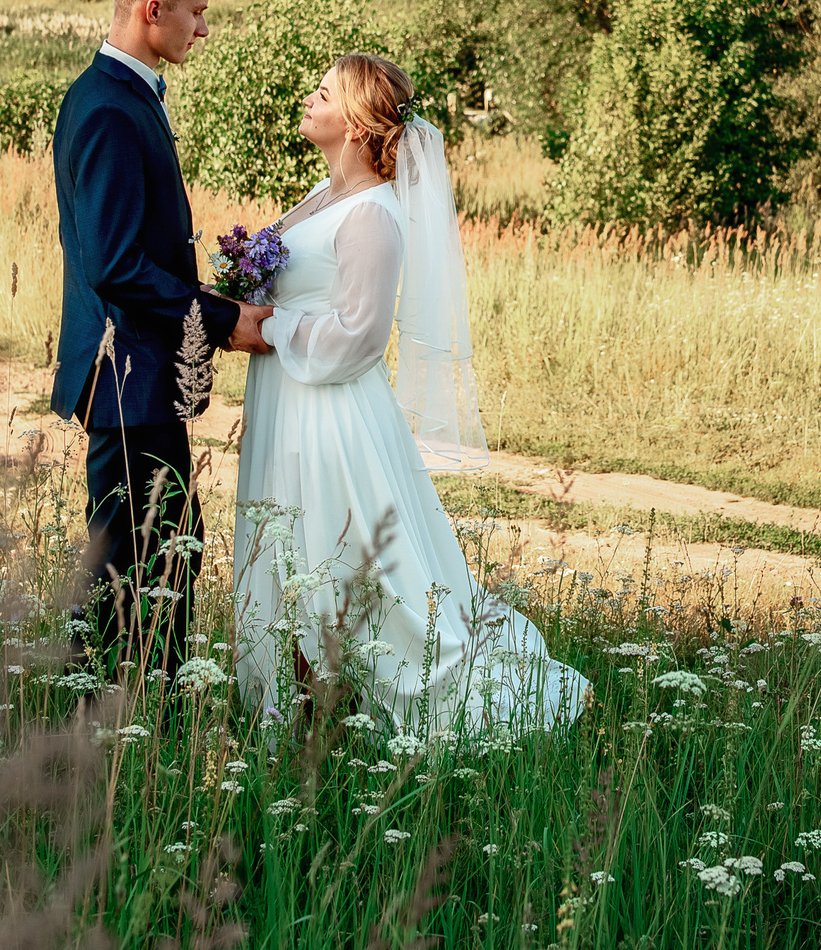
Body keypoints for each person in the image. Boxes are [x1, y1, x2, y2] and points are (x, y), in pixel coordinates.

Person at [232, 52, 588, 736]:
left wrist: (270, 325)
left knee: (338, 556)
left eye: (324, 92)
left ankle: (347, 701)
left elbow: (361, 334)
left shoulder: (372, 215)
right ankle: (302, 707)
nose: (309, 99)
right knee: (288, 547)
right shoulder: (323, 192)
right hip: (288, 400)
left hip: (330, 414)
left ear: (361, 121)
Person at [51, 0, 273, 668]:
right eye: (197, 13)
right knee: (138, 563)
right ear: (154, 9)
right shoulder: (112, 109)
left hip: (137, 375)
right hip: (129, 378)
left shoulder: (115, 94)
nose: (204, 28)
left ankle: (127, 713)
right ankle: (118, 719)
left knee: (157, 553)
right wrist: (219, 318)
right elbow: (115, 264)